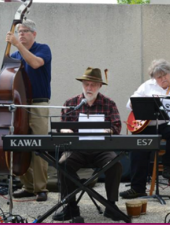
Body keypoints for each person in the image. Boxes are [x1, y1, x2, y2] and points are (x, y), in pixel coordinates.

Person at [0, 19, 51, 202]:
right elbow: (5, 77)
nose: (21, 34)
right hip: (19, 106)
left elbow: (35, 63)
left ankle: (41, 188)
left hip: (38, 104)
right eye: (19, 31)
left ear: (34, 34)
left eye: (25, 31)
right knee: (19, 145)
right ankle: (28, 186)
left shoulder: (43, 49)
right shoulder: (14, 55)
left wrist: (17, 44)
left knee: (39, 146)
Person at [52, 67, 124, 221]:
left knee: (115, 164)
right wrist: (65, 131)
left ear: (99, 86)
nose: (89, 88)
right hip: (77, 149)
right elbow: (63, 125)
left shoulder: (108, 103)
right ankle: (70, 207)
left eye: (92, 85)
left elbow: (116, 126)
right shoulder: (71, 103)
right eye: (86, 84)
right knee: (63, 163)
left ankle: (111, 205)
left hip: (101, 149)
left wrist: (107, 131)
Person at [120, 59, 170, 199]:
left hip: (169, 124)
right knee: (137, 145)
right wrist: (145, 104)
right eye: (159, 77)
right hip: (150, 125)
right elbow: (130, 103)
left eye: (165, 75)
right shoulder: (147, 85)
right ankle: (137, 188)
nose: (163, 79)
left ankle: (168, 165)